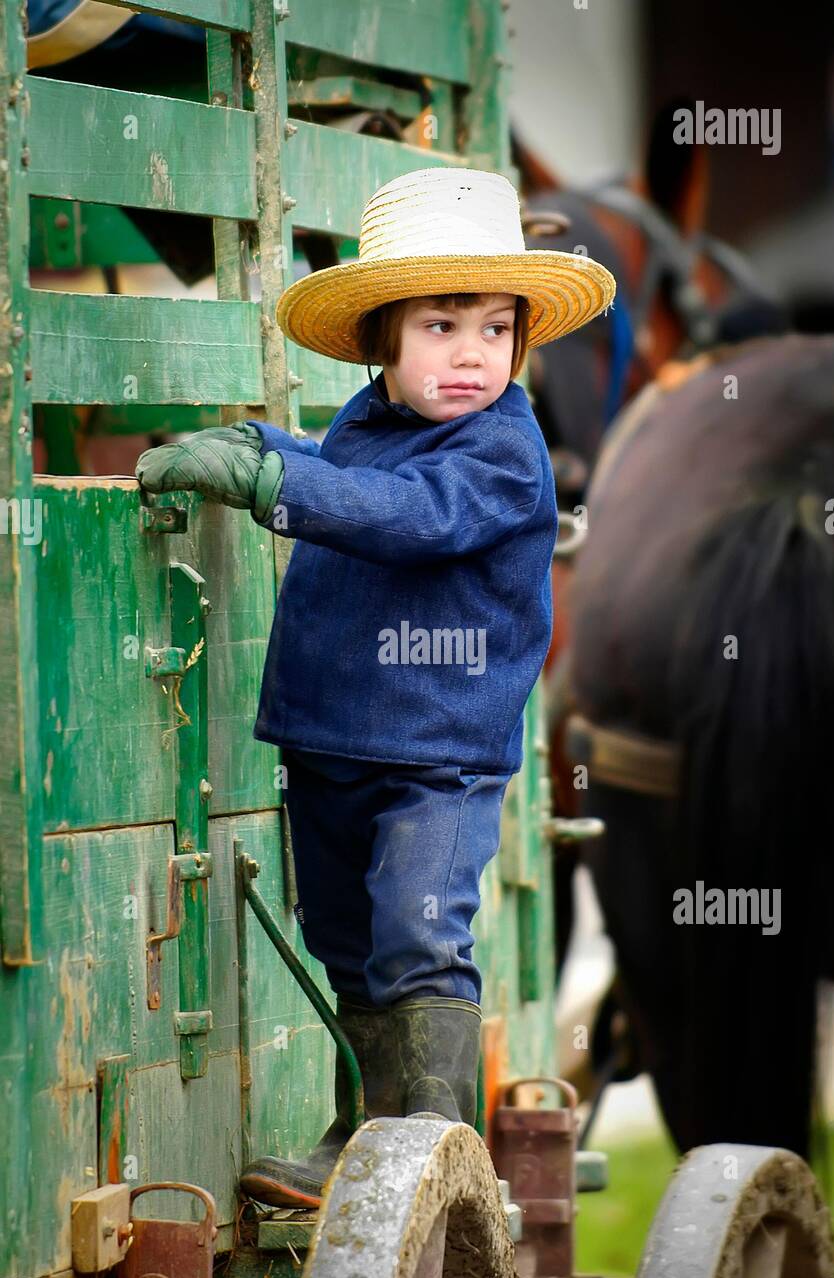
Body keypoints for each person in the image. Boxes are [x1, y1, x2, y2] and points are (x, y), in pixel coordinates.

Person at [135, 166, 615, 1206]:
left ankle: (433, 1136)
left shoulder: (504, 450)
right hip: (333, 744)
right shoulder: (367, 426)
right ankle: (366, 1127)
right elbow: (350, 479)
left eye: (496, 329)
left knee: (417, 924)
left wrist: (276, 484)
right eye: (443, 325)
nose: (473, 354)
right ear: (380, 341)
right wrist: (265, 445)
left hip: (437, 754)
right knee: (347, 937)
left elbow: (413, 517)